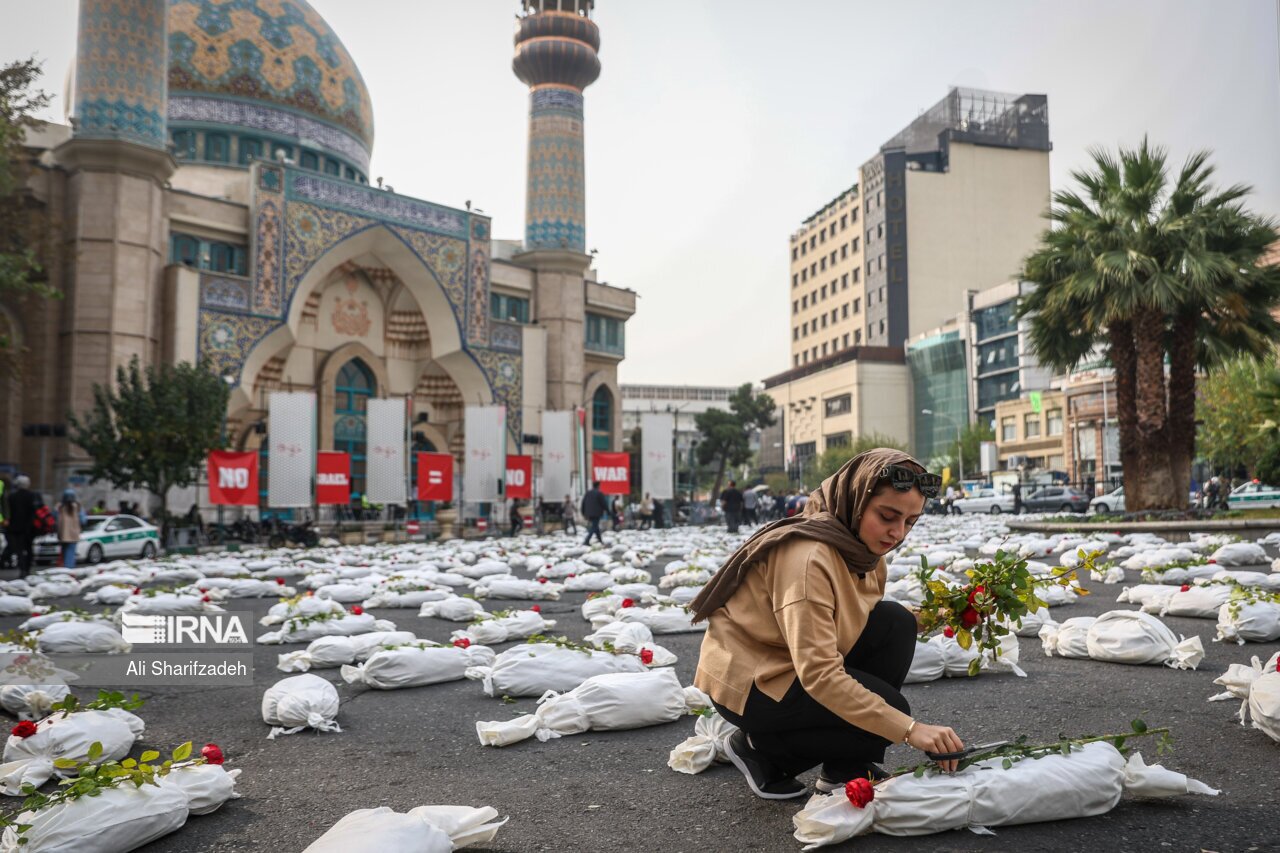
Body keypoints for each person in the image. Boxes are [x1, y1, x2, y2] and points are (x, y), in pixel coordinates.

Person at [690, 449, 962, 799]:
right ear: (856, 499)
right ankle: (760, 751)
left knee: (895, 622)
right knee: (889, 712)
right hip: (755, 682)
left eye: (910, 522)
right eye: (887, 516)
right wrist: (910, 730)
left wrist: (952, 612)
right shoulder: (808, 559)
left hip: (793, 661)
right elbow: (820, 674)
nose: (897, 533)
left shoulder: (861, 549)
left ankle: (845, 767)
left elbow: (860, 616)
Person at [1, 476, 40, 577]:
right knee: (29, 548)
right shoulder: (32, 496)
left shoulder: (12, 496)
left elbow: (8, 512)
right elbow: (35, 511)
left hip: (15, 528)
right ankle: (27, 568)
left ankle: (22, 569)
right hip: (29, 528)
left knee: (19, 550)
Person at [56, 489, 85, 569]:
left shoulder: (60, 506)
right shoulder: (78, 507)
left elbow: (54, 518)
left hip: (62, 533)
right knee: (71, 553)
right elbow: (83, 520)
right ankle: (69, 568)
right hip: (73, 534)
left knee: (64, 552)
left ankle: (64, 568)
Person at [580, 481, 607, 546]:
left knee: (596, 526)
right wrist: (608, 511)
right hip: (596, 513)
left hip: (589, 513)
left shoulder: (588, 493)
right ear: (598, 486)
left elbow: (583, 503)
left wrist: (583, 512)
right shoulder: (599, 493)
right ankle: (587, 540)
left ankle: (600, 540)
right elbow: (604, 503)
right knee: (594, 527)